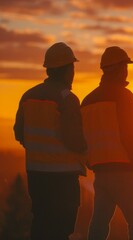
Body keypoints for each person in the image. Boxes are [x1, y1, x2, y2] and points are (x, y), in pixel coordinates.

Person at [13, 42, 87, 240]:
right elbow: (74, 140)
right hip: (62, 178)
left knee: (41, 225)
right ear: (67, 70)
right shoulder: (67, 99)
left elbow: (19, 133)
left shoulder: (28, 96)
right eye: (72, 67)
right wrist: (87, 152)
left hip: (36, 174)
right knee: (61, 229)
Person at [81, 46, 133, 240]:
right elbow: (131, 134)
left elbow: (84, 139)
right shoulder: (124, 96)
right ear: (119, 68)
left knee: (99, 223)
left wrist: (92, 162)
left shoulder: (87, 101)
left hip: (101, 173)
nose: (127, 70)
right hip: (126, 170)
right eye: (125, 66)